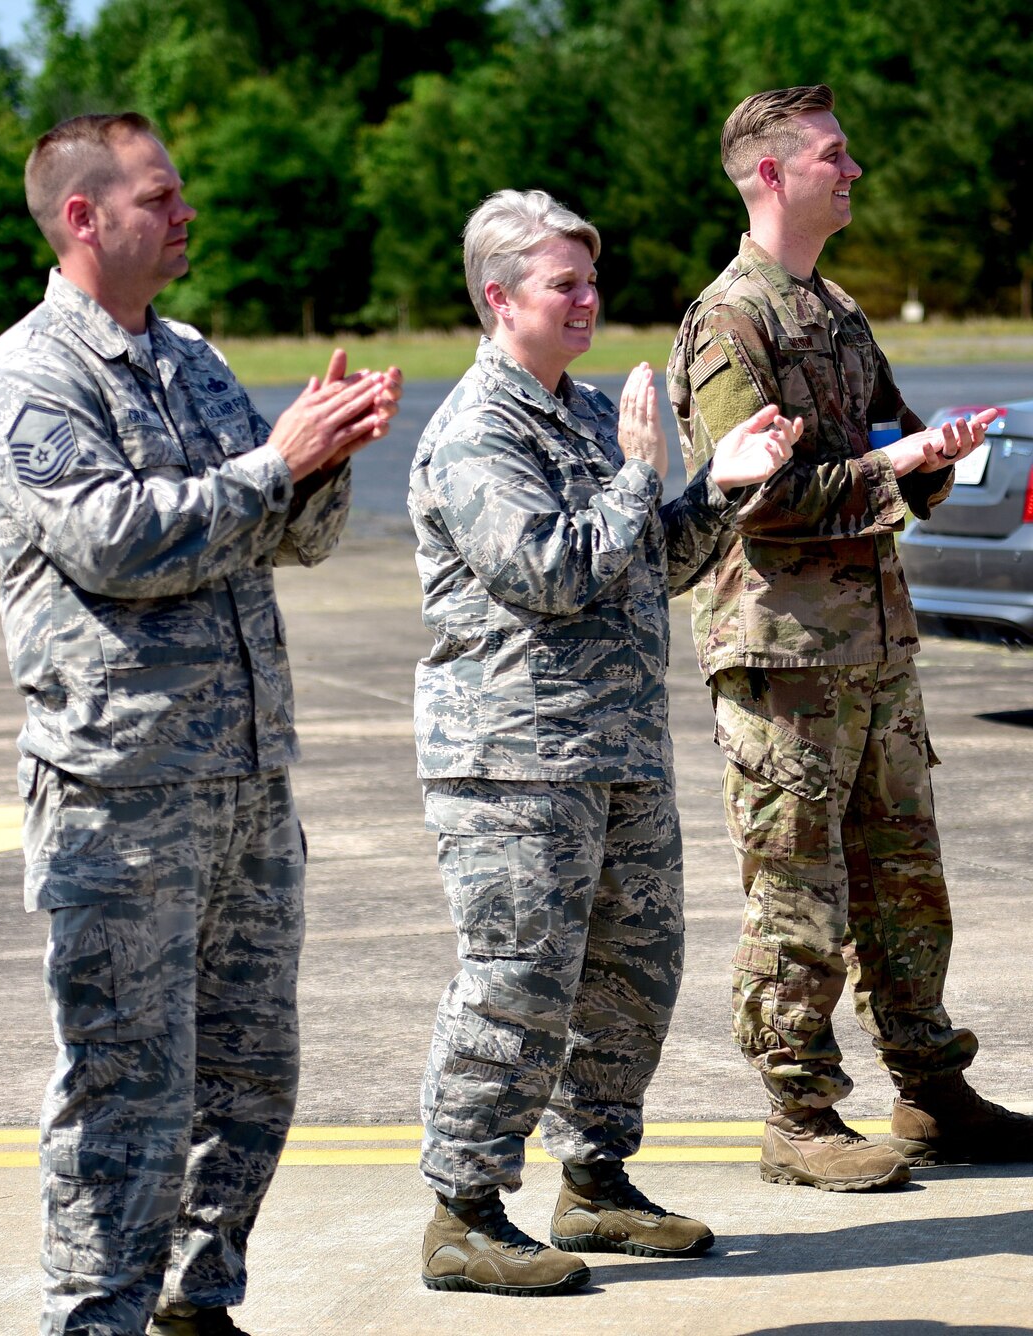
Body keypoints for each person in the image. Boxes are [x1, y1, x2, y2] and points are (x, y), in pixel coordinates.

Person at [0, 112, 401, 1336]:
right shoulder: (30, 375)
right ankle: (92, 1318)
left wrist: (320, 463)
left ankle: (196, 1304)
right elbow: (112, 539)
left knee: (249, 1074)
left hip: (245, 777)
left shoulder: (195, 358)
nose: (184, 212)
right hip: (120, 786)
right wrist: (273, 465)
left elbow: (286, 541)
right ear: (82, 217)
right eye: (159, 196)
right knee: (122, 1085)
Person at [408, 189, 798, 1296]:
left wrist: (718, 494)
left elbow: (645, 561)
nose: (588, 300)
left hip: (616, 750)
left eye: (591, 279)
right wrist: (638, 476)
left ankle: (593, 1181)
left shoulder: (583, 416)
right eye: (562, 284)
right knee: (514, 985)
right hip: (513, 763)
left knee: (630, 977)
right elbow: (551, 569)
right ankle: (462, 1211)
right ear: (498, 298)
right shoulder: (476, 435)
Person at [667, 84, 1032, 1190]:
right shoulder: (732, 321)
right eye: (831, 154)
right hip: (782, 657)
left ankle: (928, 1088)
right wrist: (895, 468)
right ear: (769, 174)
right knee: (796, 891)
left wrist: (935, 453)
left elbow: (881, 444)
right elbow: (757, 497)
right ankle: (797, 1113)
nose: (852, 169)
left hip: (870, 646)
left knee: (903, 879)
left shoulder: (835, 312)